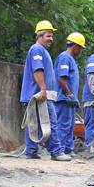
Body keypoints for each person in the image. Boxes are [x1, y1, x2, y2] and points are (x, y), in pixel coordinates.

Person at [19, 20, 72, 161]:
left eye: (52, 36)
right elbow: (37, 70)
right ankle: (56, 152)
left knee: (34, 123)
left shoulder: (42, 51)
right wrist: (43, 88)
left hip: (39, 94)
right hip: (40, 94)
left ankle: (31, 151)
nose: (51, 39)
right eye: (48, 36)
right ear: (40, 36)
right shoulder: (37, 49)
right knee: (50, 123)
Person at [54, 32, 86, 157]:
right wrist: (69, 95)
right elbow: (62, 79)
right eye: (80, 48)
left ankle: (68, 149)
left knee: (70, 125)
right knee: (63, 125)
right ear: (75, 46)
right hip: (64, 99)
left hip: (69, 100)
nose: (80, 51)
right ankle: (59, 150)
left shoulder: (70, 59)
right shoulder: (65, 58)